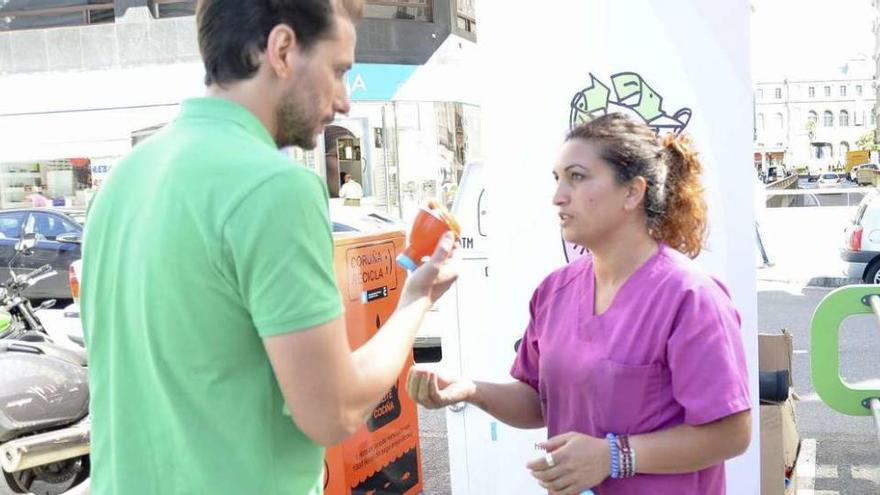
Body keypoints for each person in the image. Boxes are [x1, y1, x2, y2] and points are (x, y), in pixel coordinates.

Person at [80, 1, 456, 494]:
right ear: (281, 50)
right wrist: (417, 301)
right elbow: (334, 410)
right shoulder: (275, 188)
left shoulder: (122, 181)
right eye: (338, 71)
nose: (344, 100)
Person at [407, 113, 752, 494]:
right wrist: (471, 389)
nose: (558, 196)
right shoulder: (555, 291)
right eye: (557, 178)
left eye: (577, 176)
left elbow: (730, 433)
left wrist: (614, 456)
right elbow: (539, 400)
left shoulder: (691, 297)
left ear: (632, 192)